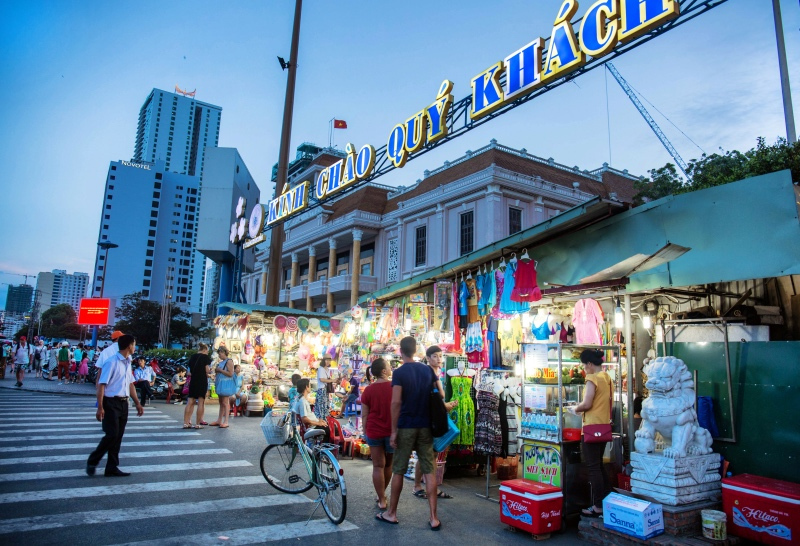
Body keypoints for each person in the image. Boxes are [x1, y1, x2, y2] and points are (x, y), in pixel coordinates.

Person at [377, 336, 443, 530]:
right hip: (425, 426)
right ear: (416, 350)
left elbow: (396, 402)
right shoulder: (427, 370)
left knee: (398, 470)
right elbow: (439, 395)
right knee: (429, 472)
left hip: (406, 425)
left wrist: (393, 431)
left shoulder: (399, 373)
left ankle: (392, 513)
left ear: (401, 351)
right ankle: (433, 518)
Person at [86, 334, 144, 477]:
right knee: (111, 435)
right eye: (134, 344)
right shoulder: (111, 362)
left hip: (124, 403)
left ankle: (111, 467)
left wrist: (137, 403)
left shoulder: (128, 362)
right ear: (129, 346)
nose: (135, 347)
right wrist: (100, 407)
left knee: (118, 436)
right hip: (111, 403)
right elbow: (101, 385)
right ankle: (93, 460)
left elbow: (130, 384)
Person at [571, 348, 613, 518]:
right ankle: (607, 501)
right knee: (599, 466)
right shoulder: (607, 377)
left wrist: (575, 409)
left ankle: (597, 506)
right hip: (603, 427)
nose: (584, 369)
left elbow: (587, 403)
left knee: (593, 467)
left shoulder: (592, 378)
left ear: (589, 364)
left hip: (590, 428)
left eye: (584, 365)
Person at [413, 345, 458, 499]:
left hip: (434, 416)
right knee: (427, 454)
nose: (439, 359)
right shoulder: (428, 373)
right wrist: (444, 404)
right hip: (428, 418)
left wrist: (444, 406)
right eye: (435, 356)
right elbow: (436, 396)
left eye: (440, 356)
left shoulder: (435, 372)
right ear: (428, 358)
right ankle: (418, 485)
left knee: (432, 454)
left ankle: (429, 487)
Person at [361, 358, 393, 511]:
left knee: (378, 466)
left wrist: (364, 432)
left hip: (374, 431)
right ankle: (382, 494)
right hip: (392, 431)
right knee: (388, 465)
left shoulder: (369, 390)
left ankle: (381, 499)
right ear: (384, 371)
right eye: (388, 365)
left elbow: (365, 415)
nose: (390, 367)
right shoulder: (395, 387)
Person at [292, 378, 331, 442]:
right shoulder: (302, 401)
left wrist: (319, 420)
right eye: (309, 385)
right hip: (310, 427)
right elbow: (305, 419)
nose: (310, 387)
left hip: (312, 424)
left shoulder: (299, 398)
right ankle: (324, 449)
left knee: (327, 424)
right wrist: (318, 423)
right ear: (306, 387)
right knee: (328, 429)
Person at [184, 343, 212, 429]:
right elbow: (207, 370)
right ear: (204, 350)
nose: (207, 353)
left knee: (190, 402)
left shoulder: (192, 357)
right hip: (202, 381)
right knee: (200, 402)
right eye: (207, 351)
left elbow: (189, 371)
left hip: (193, 381)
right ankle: (197, 424)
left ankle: (186, 423)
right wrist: (210, 370)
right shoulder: (205, 358)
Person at [210, 347, 233, 428]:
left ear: (224, 352)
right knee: (221, 402)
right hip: (220, 383)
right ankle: (219, 420)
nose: (219, 355)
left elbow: (230, 373)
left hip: (225, 384)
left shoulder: (229, 361)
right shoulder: (222, 362)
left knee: (225, 402)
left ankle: (226, 421)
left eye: (220, 353)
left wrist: (220, 370)